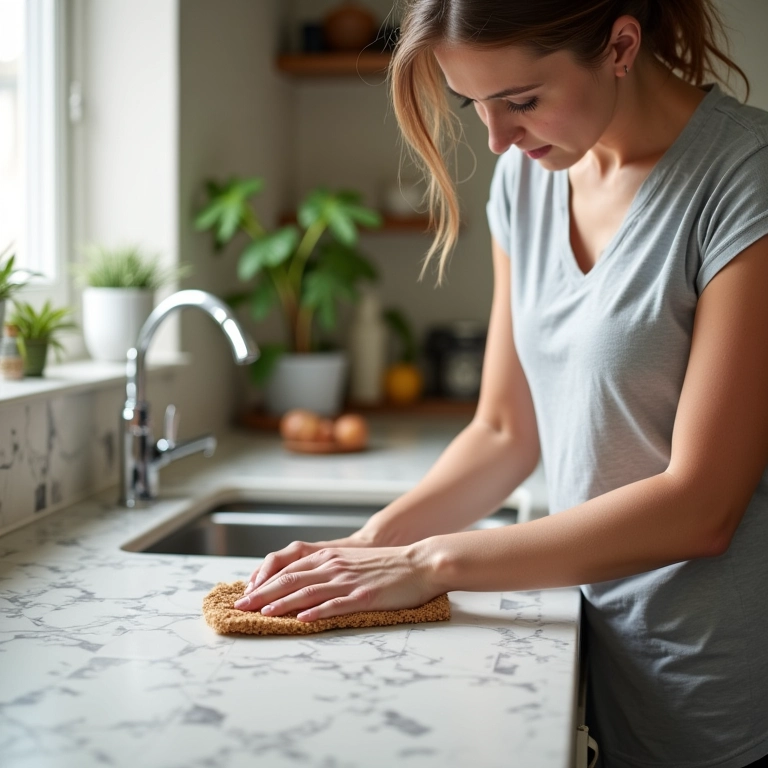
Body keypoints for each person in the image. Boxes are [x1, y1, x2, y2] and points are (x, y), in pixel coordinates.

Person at [235, 1, 768, 765]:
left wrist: (428, 563)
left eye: (521, 101)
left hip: (722, 687)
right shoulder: (525, 182)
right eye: (473, 106)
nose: (497, 139)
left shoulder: (744, 176)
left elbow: (701, 506)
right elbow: (504, 432)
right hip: (602, 656)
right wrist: (366, 548)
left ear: (620, 45)